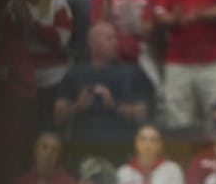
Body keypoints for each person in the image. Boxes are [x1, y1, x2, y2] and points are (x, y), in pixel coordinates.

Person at [53, 21, 153, 168]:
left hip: (119, 151)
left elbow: (142, 115)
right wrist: (78, 106)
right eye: (109, 39)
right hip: (84, 152)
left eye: (115, 38)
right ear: (93, 43)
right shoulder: (75, 74)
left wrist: (114, 105)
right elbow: (58, 117)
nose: (115, 43)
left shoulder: (130, 73)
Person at [153, 0, 216, 133]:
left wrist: (199, 14)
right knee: (177, 120)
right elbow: (160, 16)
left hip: (215, 61)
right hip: (178, 61)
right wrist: (175, 18)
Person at [112, 124, 184, 184]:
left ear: (160, 145)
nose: (147, 144)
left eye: (153, 140)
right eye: (143, 139)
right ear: (136, 143)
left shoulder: (172, 170)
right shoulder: (123, 173)